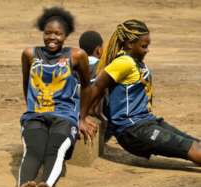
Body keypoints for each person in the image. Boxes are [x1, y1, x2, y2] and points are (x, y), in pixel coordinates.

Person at [81, 19, 201, 167]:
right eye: (144, 46)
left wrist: (96, 110)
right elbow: (97, 86)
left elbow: (101, 90)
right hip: (133, 130)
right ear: (130, 44)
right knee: (193, 149)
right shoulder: (124, 62)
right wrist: (83, 117)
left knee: (196, 144)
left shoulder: (135, 61)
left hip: (147, 122)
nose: (147, 50)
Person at [18, 6, 96, 187]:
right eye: (48, 33)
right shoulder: (29, 54)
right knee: (33, 150)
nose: (52, 37)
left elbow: (87, 87)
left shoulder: (77, 56)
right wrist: (32, 109)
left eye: (58, 34)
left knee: (56, 149)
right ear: (43, 32)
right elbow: (26, 84)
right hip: (35, 114)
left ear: (66, 35)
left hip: (65, 116)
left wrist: (82, 117)